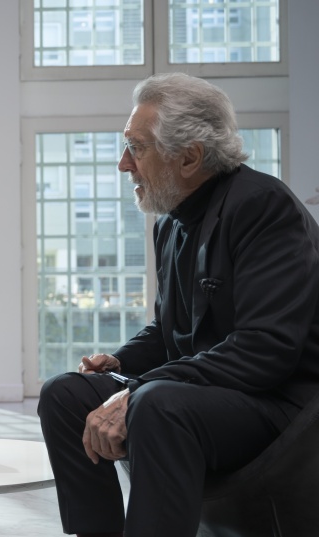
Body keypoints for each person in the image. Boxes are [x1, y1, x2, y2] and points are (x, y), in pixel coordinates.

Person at [37, 72, 319, 537]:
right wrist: (122, 363)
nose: (123, 164)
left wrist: (138, 388)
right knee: (64, 393)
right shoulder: (169, 223)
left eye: (137, 147)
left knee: (156, 404)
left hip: (275, 407)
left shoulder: (263, 206)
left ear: (189, 157)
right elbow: (169, 328)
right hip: (205, 392)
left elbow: (264, 350)